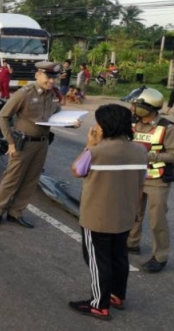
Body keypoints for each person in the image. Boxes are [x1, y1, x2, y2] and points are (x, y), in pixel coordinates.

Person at [68, 104, 148, 320]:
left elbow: (76, 170)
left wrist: (89, 144)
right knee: (119, 257)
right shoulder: (141, 151)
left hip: (97, 217)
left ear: (105, 126)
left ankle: (98, 304)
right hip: (125, 215)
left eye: (98, 123)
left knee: (97, 261)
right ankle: (116, 295)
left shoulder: (96, 153)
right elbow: (141, 185)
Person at [0, 62, 80, 228]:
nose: (51, 81)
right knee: (12, 179)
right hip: (22, 143)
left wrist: (70, 123)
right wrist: (10, 142)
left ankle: (16, 212)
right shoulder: (24, 94)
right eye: (48, 77)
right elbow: (3, 116)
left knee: (31, 179)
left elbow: (57, 116)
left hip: (42, 144)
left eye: (54, 78)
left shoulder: (53, 95)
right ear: (38, 74)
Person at [123, 86, 174, 273]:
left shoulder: (169, 128)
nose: (131, 108)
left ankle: (160, 256)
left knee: (157, 220)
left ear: (146, 107)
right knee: (134, 212)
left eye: (135, 105)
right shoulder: (132, 123)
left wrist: (148, 155)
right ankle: (132, 243)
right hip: (135, 176)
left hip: (157, 180)